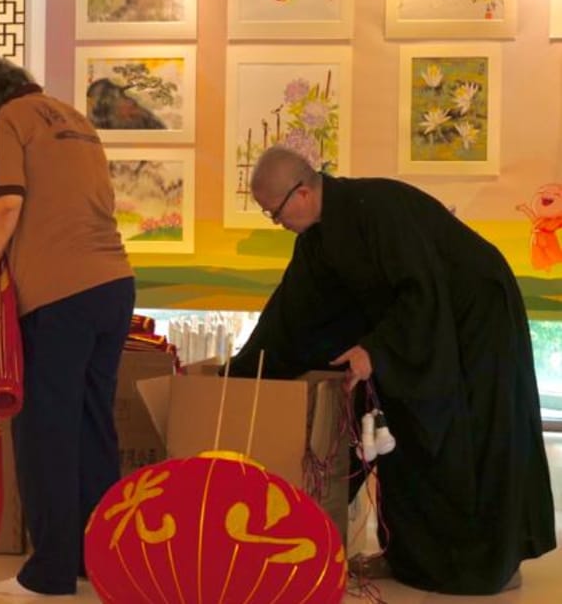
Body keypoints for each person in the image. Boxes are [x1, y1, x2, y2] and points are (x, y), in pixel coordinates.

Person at [227, 146, 556, 595]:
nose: (276, 222)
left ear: (301, 192)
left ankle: (494, 559)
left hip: (474, 317)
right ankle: (408, 555)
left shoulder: (376, 210)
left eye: (274, 212)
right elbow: (289, 317)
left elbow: (421, 290)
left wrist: (376, 349)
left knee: (476, 434)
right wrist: (237, 373)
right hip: (419, 327)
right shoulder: (318, 239)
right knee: (398, 427)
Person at [0, 55, 135, 598]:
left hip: (58, 295)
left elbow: (5, 206)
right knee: (93, 427)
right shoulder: (73, 117)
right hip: (114, 285)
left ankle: (49, 573)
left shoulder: (3, 118)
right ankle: (96, 559)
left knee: (45, 431)